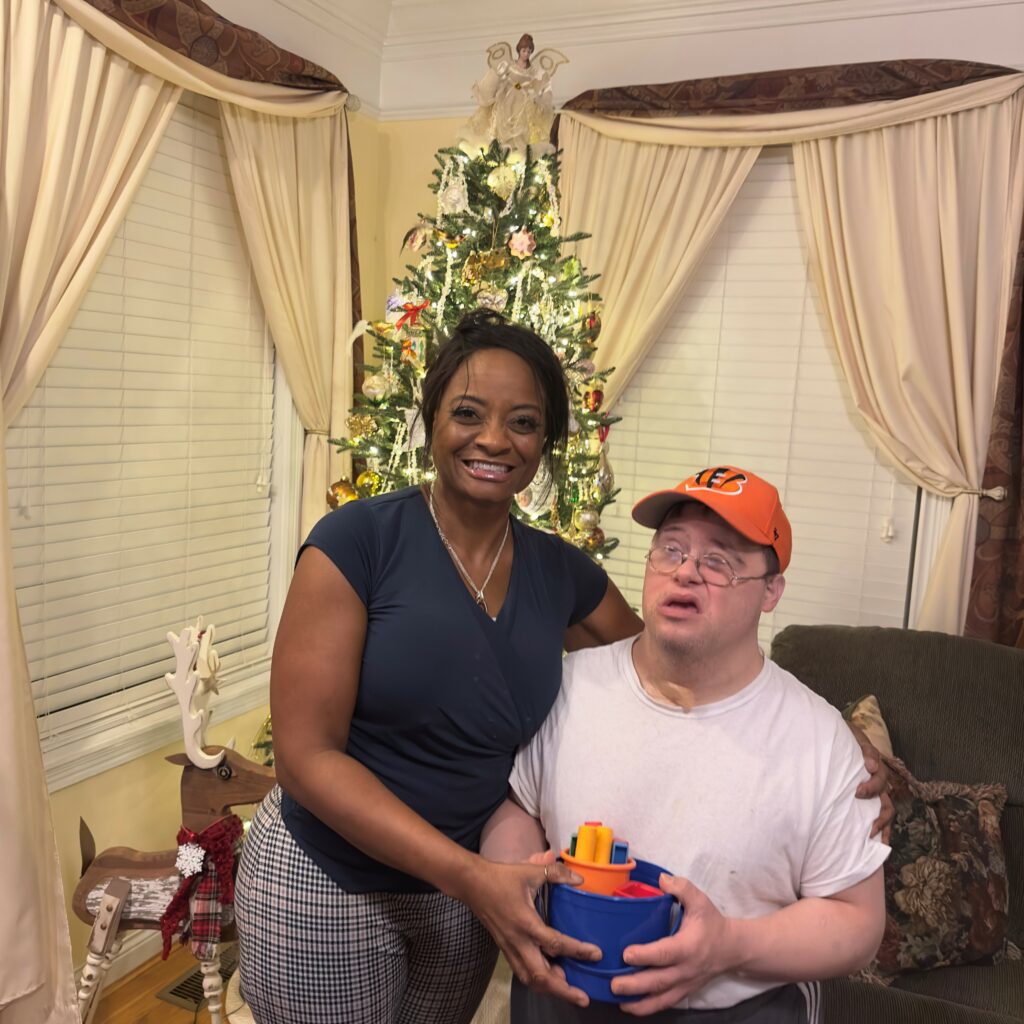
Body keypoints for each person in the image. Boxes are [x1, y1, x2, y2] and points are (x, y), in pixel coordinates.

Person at [234, 309, 642, 1024]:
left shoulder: (560, 572)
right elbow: (304, 757)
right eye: (467, 413)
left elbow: (665, 679)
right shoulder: (356, 543)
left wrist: (815, 730)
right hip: (327, 879)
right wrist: (474, 877)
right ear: (430, 422)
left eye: (522, 421)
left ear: (544, 443)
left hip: (461, 901)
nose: (493, 439)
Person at [482, 465, 891, 1023]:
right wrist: (510, 883)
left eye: (719, 561)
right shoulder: (569, 685)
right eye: (671, 549)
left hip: (735, 1008)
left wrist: (729, 946)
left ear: (771, 591)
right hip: (562, 998)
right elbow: (516, 807)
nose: (686, 573)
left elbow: (858, 924)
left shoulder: (821, 744)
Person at [462, 33, 567, 153]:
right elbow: (499, 77)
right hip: (507, 99)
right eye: (524, 50)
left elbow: (540, 87)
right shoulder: (509, 66)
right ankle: (502, 145)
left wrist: (534, 93)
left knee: (521, 128)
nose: (526, 54)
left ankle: (517, 147)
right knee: (503, 124)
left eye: (529, 51)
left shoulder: (533, 71)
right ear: (519, 50)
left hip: (522, 103)